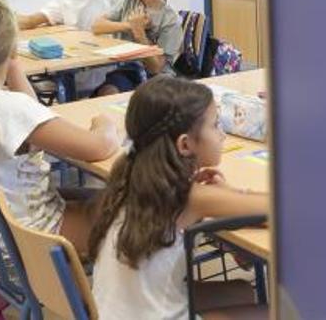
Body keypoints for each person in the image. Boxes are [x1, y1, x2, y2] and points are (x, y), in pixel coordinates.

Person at [0, 0, 119, 270]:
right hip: (24, 248)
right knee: (132, 211)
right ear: (13, 47)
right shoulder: (8, 108)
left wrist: (11, 64)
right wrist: (104, 120)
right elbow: (100, 147)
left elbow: (31, 112)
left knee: (93, 196)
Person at [89, 76, 268, 320]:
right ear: (184, 145)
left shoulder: (129, 176)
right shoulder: (190, 196)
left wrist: (222, 194)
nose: (222, 135)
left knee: (241, 291)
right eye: (216, 125)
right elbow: (281, 208)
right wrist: (229, 194)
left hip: (109, 314)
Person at [19, 0, 117, 95]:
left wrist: (7, 14)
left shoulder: (66, 1)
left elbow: (27, 22)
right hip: (108, 71)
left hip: (74, 75)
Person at [91, 0, 183, 95]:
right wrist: (129, 25)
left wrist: (140, 34)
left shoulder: (171, 21)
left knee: (149, 97)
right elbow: (97, 26)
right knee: (107, 91)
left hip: (158, 80)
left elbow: (156, 68)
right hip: (128, 70)